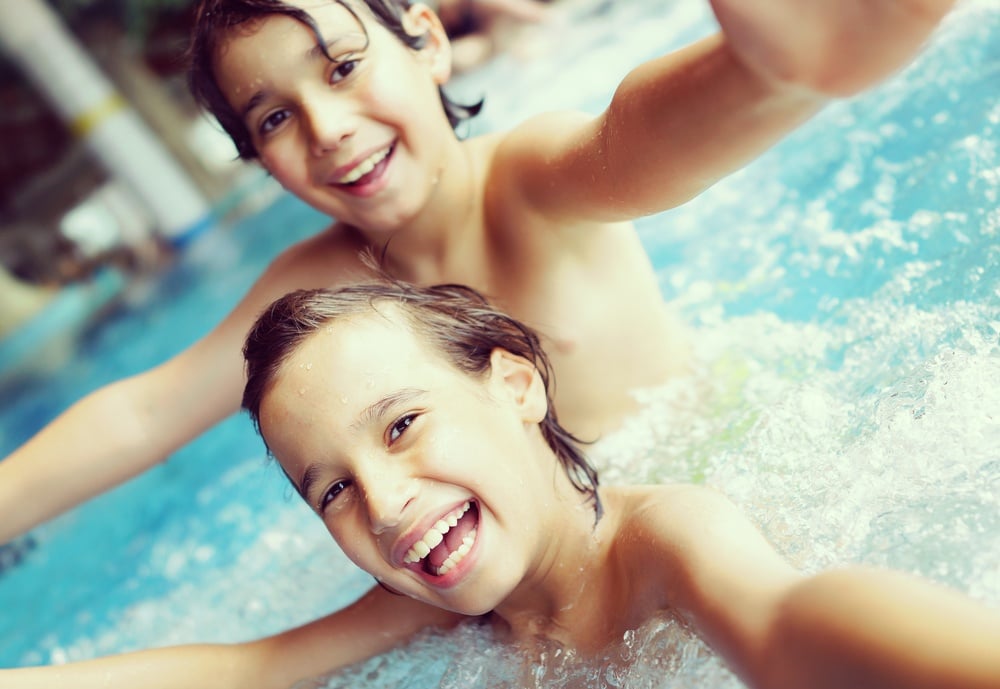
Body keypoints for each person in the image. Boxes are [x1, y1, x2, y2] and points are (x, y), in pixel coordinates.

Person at [0, 0, 956, 543]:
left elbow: (644, 135)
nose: (327, 130)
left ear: (424, 37)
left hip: (740, 479)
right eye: (274, 118)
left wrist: (789, 65)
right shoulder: (319, 284)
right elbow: (145, 410)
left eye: (340, 69)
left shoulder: (534, 181)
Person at [3, 279, 998, 688]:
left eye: (400, 424)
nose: (385, 501)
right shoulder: (450, 607)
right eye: (332, 489)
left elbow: (784, 621)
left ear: (516, 384)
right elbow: (248, 665)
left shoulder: (663, 544)